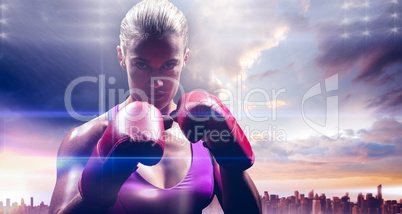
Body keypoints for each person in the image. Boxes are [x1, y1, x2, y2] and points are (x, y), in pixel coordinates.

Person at [49, 0, 261, 213]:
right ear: (122, 57)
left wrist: (232, 163)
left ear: (184, 59)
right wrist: (96, 191)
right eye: (142, 65)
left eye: (169, 65)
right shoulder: (87, 137)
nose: (157, 83)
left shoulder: (203, 131)